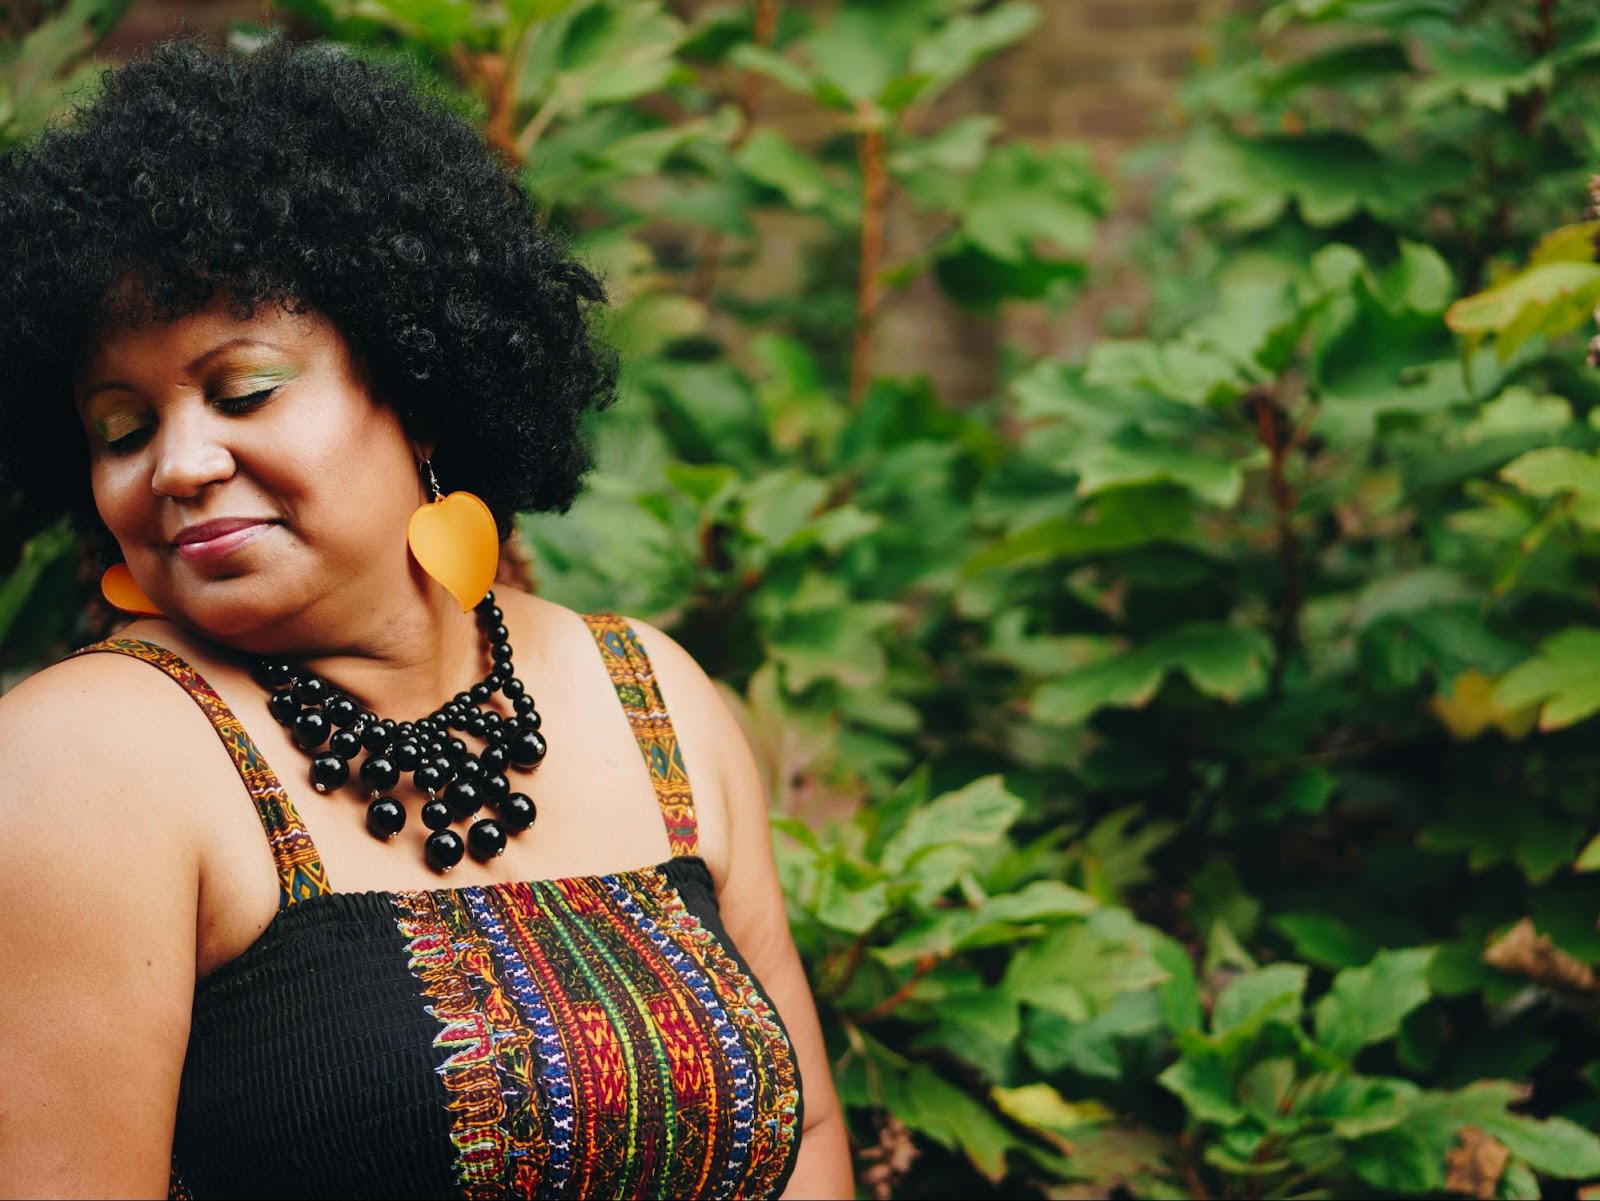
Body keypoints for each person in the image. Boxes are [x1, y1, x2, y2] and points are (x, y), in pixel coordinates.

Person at [0, 37, 852, 1200]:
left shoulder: (648, 691)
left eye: (243, 390)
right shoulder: (88, 758)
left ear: (422, 389)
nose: (180, 465)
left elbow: (801, 1143)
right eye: (121, 429)